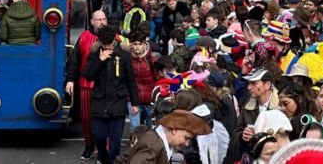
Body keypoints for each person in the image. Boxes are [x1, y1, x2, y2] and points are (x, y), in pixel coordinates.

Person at [83, 25, 139, 164]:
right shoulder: (94, 54)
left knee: (115, 142)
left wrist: (135, 103)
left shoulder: (123, 55)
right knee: (99, 137)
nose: (108, 47)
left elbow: (131, 80)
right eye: (104, 44)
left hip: (117, 102)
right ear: (99, 41)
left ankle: (112, 161)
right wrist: (100, 60)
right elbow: (88, 75)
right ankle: (102, 156)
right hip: (100, 102)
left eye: (110, 44)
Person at [65, 10, 109, 160]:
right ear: (92, 21)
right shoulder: (84, 37)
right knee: (86, 119)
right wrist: (70, 79)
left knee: (104, 118)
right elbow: (75, 60)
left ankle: (103, 148)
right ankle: (89, 145)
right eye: (99, 19)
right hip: (86, 84)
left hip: (105, 84)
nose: (102, 22)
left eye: (104, 19)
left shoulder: (113, 37)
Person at [114, 110, 212, 164]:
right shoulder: (153, 145)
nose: (186, 143)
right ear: (175, 129)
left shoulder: (159, 140)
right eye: (186, 138)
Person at [237, 69, 280, 148]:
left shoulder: (281, 106)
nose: (249, 87)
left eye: (254, 83)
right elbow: (236, 132)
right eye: (249, 83)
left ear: (267, 85)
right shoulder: (247, 106)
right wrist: (242, 136)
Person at [128, 31, 158, 129]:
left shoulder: (152, 60)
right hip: (133, 100)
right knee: (135, 127)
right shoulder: (127, 60)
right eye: (135, 44)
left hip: (149, 100)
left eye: (140, 44)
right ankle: (136, 144)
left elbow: (157, 79)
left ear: (145, 45)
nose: (137, 47)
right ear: (131, 45)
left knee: (151, 128)